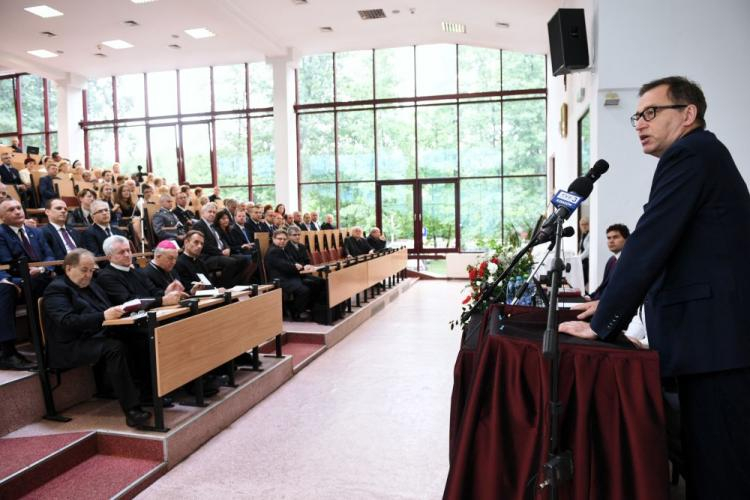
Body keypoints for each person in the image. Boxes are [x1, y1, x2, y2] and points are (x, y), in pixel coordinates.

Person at [559, 76, 750, 499]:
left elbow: (649, 240)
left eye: (651, 112)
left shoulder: (691, 154)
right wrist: (607, 301)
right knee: (711, 465)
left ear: (687, 114)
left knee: (722, 472)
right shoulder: (700, 156)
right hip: (711, 342)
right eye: (636, 116)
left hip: (714, 345)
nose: (640, 124)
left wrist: (606, 320)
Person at [42, 249, 151, 427]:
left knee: (142, 336)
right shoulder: (57, 289)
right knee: (115, 347)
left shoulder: (92, 284)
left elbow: (107, 308)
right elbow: (66, 321)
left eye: (91, 271)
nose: (88, 275)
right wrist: (103, 316)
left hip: (96, 334)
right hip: (70, 345)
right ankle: (132, 410)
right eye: (84, 270)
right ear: (69, 268)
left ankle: (148, 392)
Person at [0, 199, 56, 370]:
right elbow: (6, 262)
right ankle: (7, 352)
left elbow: (49, 257)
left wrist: (42, 269)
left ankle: (51, 342)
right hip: (16, 280)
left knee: (59, 285)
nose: (17, 211)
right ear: (2, 216)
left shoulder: (35, 232)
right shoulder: (1, 234)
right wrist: (16, 280)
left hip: (39, 276)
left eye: (19, 208)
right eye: (11, 210)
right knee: (5, 290)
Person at [96, 235, 185, 308]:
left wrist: (167, 292)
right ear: (109, 257)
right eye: (121, 252)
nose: (127, 255)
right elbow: (129, 302)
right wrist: (162, 300)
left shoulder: (137, 272)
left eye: (128, 250)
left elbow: (153, 292)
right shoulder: (106, 276)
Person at [193, 203, 244, 287]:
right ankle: (223, 287)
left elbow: (221, 239)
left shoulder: (212, 225)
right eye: (210, 212)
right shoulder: (199, 225)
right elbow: (204, 245)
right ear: (203, 213)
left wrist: (227, 248)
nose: (212, 214)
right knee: (231, 262)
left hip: (218, 254)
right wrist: (221, 252)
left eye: (214, 212)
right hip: (207, 256)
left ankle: (236, 284)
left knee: (243, 260)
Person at [265, 230, 310, 319]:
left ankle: (302, 309)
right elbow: (284, 266)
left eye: (284, 239)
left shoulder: (282, 249)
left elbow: (290, 262)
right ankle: (295, 312)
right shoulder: (274, 251)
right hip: (280, 279)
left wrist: (297, 265)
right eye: (279, 239)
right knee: (304, 290)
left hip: (287, 276)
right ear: (273, 239)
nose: (282, 241)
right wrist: (296, 266)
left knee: (312, 283)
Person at [587, 223, 629, 300]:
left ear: (627, 239)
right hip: (601, 301)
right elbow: (604, 286)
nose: (611, 241)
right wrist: (589, 297)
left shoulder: (629, 261)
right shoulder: (611, 260)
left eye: (615, 237)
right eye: (609, 238)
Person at [578, 216, 590, 287]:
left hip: (586, 262)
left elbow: (587, 251)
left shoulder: (590, 235)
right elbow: (581, 249)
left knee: (585, 280)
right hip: (582, 262)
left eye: (586, 224)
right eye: (582, 224)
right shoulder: (583, 235)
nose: (584, 226)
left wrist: (578, 258)